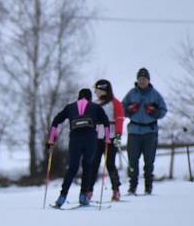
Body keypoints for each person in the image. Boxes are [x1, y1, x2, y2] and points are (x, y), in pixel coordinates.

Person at [47, 88, 111, 208]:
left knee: (72, 168)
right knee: (88, 166)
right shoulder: (96, 107)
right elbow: (106, 122)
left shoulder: (70, 107)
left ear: (78, 97)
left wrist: (51, 139)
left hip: (75, 140)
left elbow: (56, 121)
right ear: (90, 97)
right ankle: (83, 197)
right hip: (90, 140)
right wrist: (107, 138)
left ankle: (62, 197)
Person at [121, 67, 167, 195]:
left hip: (150, 131)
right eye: (140, 79)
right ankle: (132, 187)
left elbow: (163, 111)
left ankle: (148, 187)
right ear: (137, 80)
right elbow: (121, 108)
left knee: (149, 160)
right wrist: (129, 110)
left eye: (144, 79)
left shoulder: (155, 94)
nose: (142, 81)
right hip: (134, 131)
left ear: (148, 80)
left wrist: (154, 112)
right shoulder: (131, 93)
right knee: (132, 161)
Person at [88, 79, 124, 201]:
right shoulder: (94, 103)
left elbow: (119, 119)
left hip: (111, 136)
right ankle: (89, 190)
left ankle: (116, 190)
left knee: (110, 164)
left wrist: (118, 134)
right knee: (93, 164)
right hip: (96, 137)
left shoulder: (115, 103)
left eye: (97, 89)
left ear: (103, 89)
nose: (95, 92)